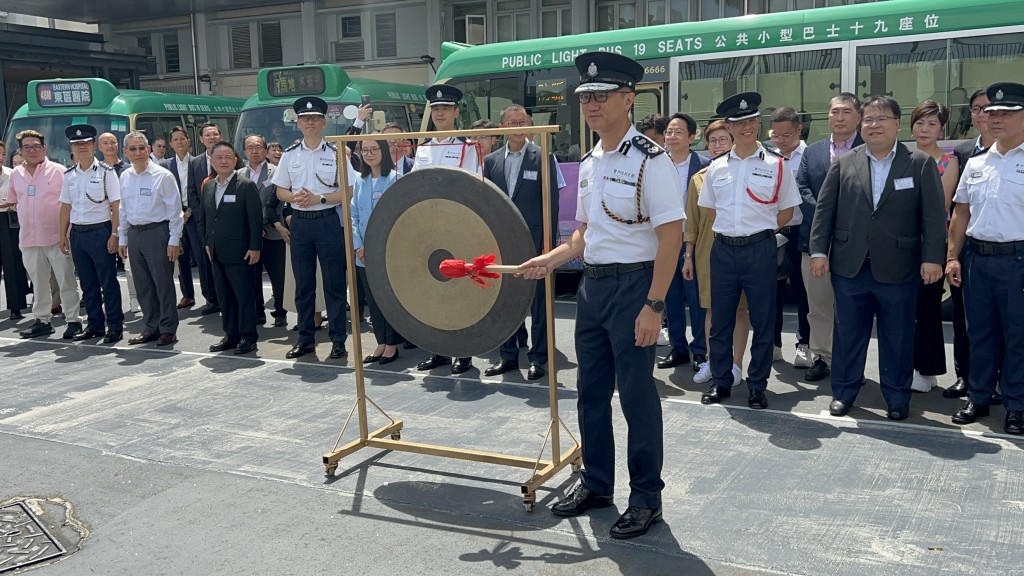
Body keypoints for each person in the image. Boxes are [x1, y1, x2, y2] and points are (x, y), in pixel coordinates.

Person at [520, 52, 682, 540]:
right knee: (590, 394)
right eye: (585, 96)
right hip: (592, 286)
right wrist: (550, 260)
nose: (591, 104)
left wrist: (655, 305)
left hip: (635, 287)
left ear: (628, 100)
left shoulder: (651, 161)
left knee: (636, 397)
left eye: (601, 95)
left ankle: (646, 498)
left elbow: (671, 236)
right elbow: (585, 233)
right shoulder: (590, 162)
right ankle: (597, 484)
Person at [810, 95, 946, 420]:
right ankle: (844, 392)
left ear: (897, 124)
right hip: (850, 265)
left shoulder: (918, 163)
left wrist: (932, 258)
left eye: (881, 118)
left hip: (899, 267)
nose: (873, 125)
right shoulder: (845, 163)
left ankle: (897, 397)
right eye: (868, 119)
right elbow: (824, 210)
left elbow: (932, 217)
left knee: (897, 336)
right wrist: (818, 250)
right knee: (848, 335)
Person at [697, 93, 801, 410]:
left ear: (758, 123)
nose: (745, 128)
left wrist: (758, 229)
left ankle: (757, 385)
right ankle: (721, 381)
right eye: (738, 123)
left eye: (750, 121)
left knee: (764, 321)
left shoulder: (777, 165)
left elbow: (787, 213)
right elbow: (712, 212)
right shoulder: (716, 168)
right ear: (728, 127)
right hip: (724, 250)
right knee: (720, 321)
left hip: (760, 249)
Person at [945, 82, 1024, 435]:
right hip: (977, 258)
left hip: (1018, 260)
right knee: (979, 333)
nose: (995, 120)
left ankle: (1016, 404)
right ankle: (977, 397)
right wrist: (953, 258)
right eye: (991, 113)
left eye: (1006, 114)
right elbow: (961, 214)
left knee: (1018, 335)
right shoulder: (976, 163)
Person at [482, 104, 563, 380]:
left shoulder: (543, 157)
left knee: (539, 305)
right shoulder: (491, 161)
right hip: (502, 245)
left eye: (523, 122)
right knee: (506, 303)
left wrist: (548, 248)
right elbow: (489, 205)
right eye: (512, 123)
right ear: (502, 128)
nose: (518, 127)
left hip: (535, 242)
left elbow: (551, 203)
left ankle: (538, 359)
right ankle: (507, 356)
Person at [272, 96, 356, 360]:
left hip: (327, 221)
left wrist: (318, 199)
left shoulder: (337, 152)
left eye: (314, 118)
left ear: (323, 122)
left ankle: (338, 340)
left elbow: (348, 192)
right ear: (298, 123)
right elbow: (280, 190)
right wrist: (295, 198)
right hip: (301, 224)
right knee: (304, 285)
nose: (310, 122)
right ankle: (305, 338)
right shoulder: (289, 154)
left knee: (333, 284)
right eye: (305, 119)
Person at [414, 84, 483, 375]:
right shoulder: (423, 148)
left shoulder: (467, 147)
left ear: (456, 112)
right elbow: (414, 188)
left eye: (445, 108)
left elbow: (475, 188)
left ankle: (464, 353)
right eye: (436, 109)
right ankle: (438, 349)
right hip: (431, 228)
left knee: (460, 291)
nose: (440, 113)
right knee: (433, 290)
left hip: (459, 227)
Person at [796, 93, 864, 382]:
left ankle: (851, 364)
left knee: (853, 308)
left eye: (846, 112)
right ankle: (822, 356)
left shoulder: (869, 147)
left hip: (857, 244)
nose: (839, 117)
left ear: (858, 117)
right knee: (819, 305)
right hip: (816, 242)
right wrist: (828, 214)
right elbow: (801, 188)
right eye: (834, 111)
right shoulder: (813, 151)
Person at [683, 120, 750, 386]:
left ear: (733, 141)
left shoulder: (745, 172)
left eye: (723, 140)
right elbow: (692, 222)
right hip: (706, 251)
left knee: (739, 310)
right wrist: (687, 256)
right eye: (712, 141)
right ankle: (712, 360)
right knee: (710, 308)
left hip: (741, 251)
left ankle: (735, 365)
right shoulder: (699, 178)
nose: (717, 146)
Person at [1, 130, 82, 339]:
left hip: (57, 236)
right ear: (20, 150)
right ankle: (42, 320)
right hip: (29, 238)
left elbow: (70, 204)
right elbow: (13, 201)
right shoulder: (16, 174)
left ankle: (73, 320)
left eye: (36, 146)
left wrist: (67, 233)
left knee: (66, 281)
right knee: (38, 282)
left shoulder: (59, 171)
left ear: (44, 148)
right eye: (27, 147)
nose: (32, 150)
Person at [945, 89, 996, 400]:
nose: (982, 115)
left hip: (1007, 252)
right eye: (976, 109)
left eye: (990, 109)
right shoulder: (963, 152)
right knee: (965, 318)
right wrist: (951, 253)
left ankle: (1001, 380)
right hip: (967, 249)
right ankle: (965, 376)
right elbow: (950, 203)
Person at [58, 124, 124, 343]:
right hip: (78, 234)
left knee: (108, 281)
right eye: (77, 145)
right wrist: (62, 235)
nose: (82, 148)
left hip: (101, 231)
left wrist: (115, 234)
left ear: (94, 146)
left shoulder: (106, 172)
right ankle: (95, 324)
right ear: (72, 148)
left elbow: (116, 205)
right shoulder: (69, 175)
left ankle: (114, 326)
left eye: (86, 143)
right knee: (87, 283)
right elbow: (65, 207)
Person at [118, 131, 185, 347]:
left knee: (162, 284)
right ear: (125, 152)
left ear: (148, 149)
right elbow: (123, 208)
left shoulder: (162, 176)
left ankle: (167, 329)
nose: (138, 153)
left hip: (158, 232)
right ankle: (150, 327)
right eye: (133, 149)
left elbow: (175, 211)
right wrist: (122, 237)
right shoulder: (125, 176)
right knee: (143, 285)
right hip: (135, 235)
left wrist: (174, 240)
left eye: (141, 148)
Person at [909, 100, 958, 393]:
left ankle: (927, 371)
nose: (924, 129)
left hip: (930, 243)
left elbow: (940, 206)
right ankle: (907, 365)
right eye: (919, 123)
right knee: (901, 309)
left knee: (927, 309)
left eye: (932, 124)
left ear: (941, 129)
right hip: (897, 244)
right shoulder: (900, 156)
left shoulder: (948, 161)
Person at [201, 142, 263, 354]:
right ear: (212, 160)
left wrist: (255, 247)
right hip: (217, 252)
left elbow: (255, 220)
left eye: (228, 156)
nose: (224, 161)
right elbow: (205, 219)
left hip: (241, 252)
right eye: (219, 157)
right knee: (224, 296)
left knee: (244, 297)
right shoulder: (208, 186)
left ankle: (248, 336)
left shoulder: (245, 185)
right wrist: (207, 243)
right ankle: (231, 334)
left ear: (236, 159)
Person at [658, 112, 708, 371]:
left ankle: (700, 350)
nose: (672, 136)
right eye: (668, 131)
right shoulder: (656, 164)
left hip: (694, 242)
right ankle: (678, 347)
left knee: (696, 297)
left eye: (678, 132)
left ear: (692, 137)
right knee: (671, 297)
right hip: (664, 242)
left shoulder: (704, 166)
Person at [351, 138, 402, 365]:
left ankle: (391, 344)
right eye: (365, 150)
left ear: (383, 150)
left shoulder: (394, 179)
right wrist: (358, 246)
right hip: (363, 254)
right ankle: (380, 341)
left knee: (387, 299)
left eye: (374, 149)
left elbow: (396, 217)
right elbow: (353, 216)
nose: (369, 154)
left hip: (386, 251)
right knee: (372, 300)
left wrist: (375, 247)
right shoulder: (360, 181)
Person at [769, 107, 810, 367]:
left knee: (804, 292)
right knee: (771, 292)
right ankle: (773, 344)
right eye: (776, 135)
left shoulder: (810, 156)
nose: (781, 140)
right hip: (772, 233)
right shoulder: (766, 157)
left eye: (786, 135)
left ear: (798, 130)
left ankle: (804, 344)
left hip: (800, 232)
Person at [239, 134, 286, 328]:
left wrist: (262, 224)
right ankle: (258, 311)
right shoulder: (239, 174)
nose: (254, 151)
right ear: (244, 152)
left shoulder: (277, 172)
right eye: (250, 147)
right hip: (250, 235)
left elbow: (277, 202)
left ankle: (281, 311)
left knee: (278, 275)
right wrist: (253, 228)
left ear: (266, 151)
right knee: (252, 275)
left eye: (258, 147)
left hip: (273, 232)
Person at [158, 126, 199, 310]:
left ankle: (210, 294)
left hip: (194, 215)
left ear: (189, 141)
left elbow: (199, 190)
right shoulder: (165, 166)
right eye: (175, 140)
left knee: (201, 256)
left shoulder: (197, 163)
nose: (179, 142)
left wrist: (189, 211)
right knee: (181, 258)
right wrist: (177, 215)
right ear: (171, 144)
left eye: (182, 138)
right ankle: (187, 295)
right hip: (175, 217)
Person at [186, 122, 223, 315]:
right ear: (201, 139)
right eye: (208, 135)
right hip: (203, 221)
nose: (212, 138)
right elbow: (192, 192)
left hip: (226, 220)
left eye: (215, 134)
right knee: (204, 260)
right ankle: (211, 298)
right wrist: (203, 216)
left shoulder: (230, 157)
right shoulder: (195, 162)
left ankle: (226, 296)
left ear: (221, 136)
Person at [0, 141, 29, 319]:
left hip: (8, 217)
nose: (1, 157)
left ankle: (16, 306)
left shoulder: (12, 174)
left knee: (12, 261)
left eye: (2, 154)